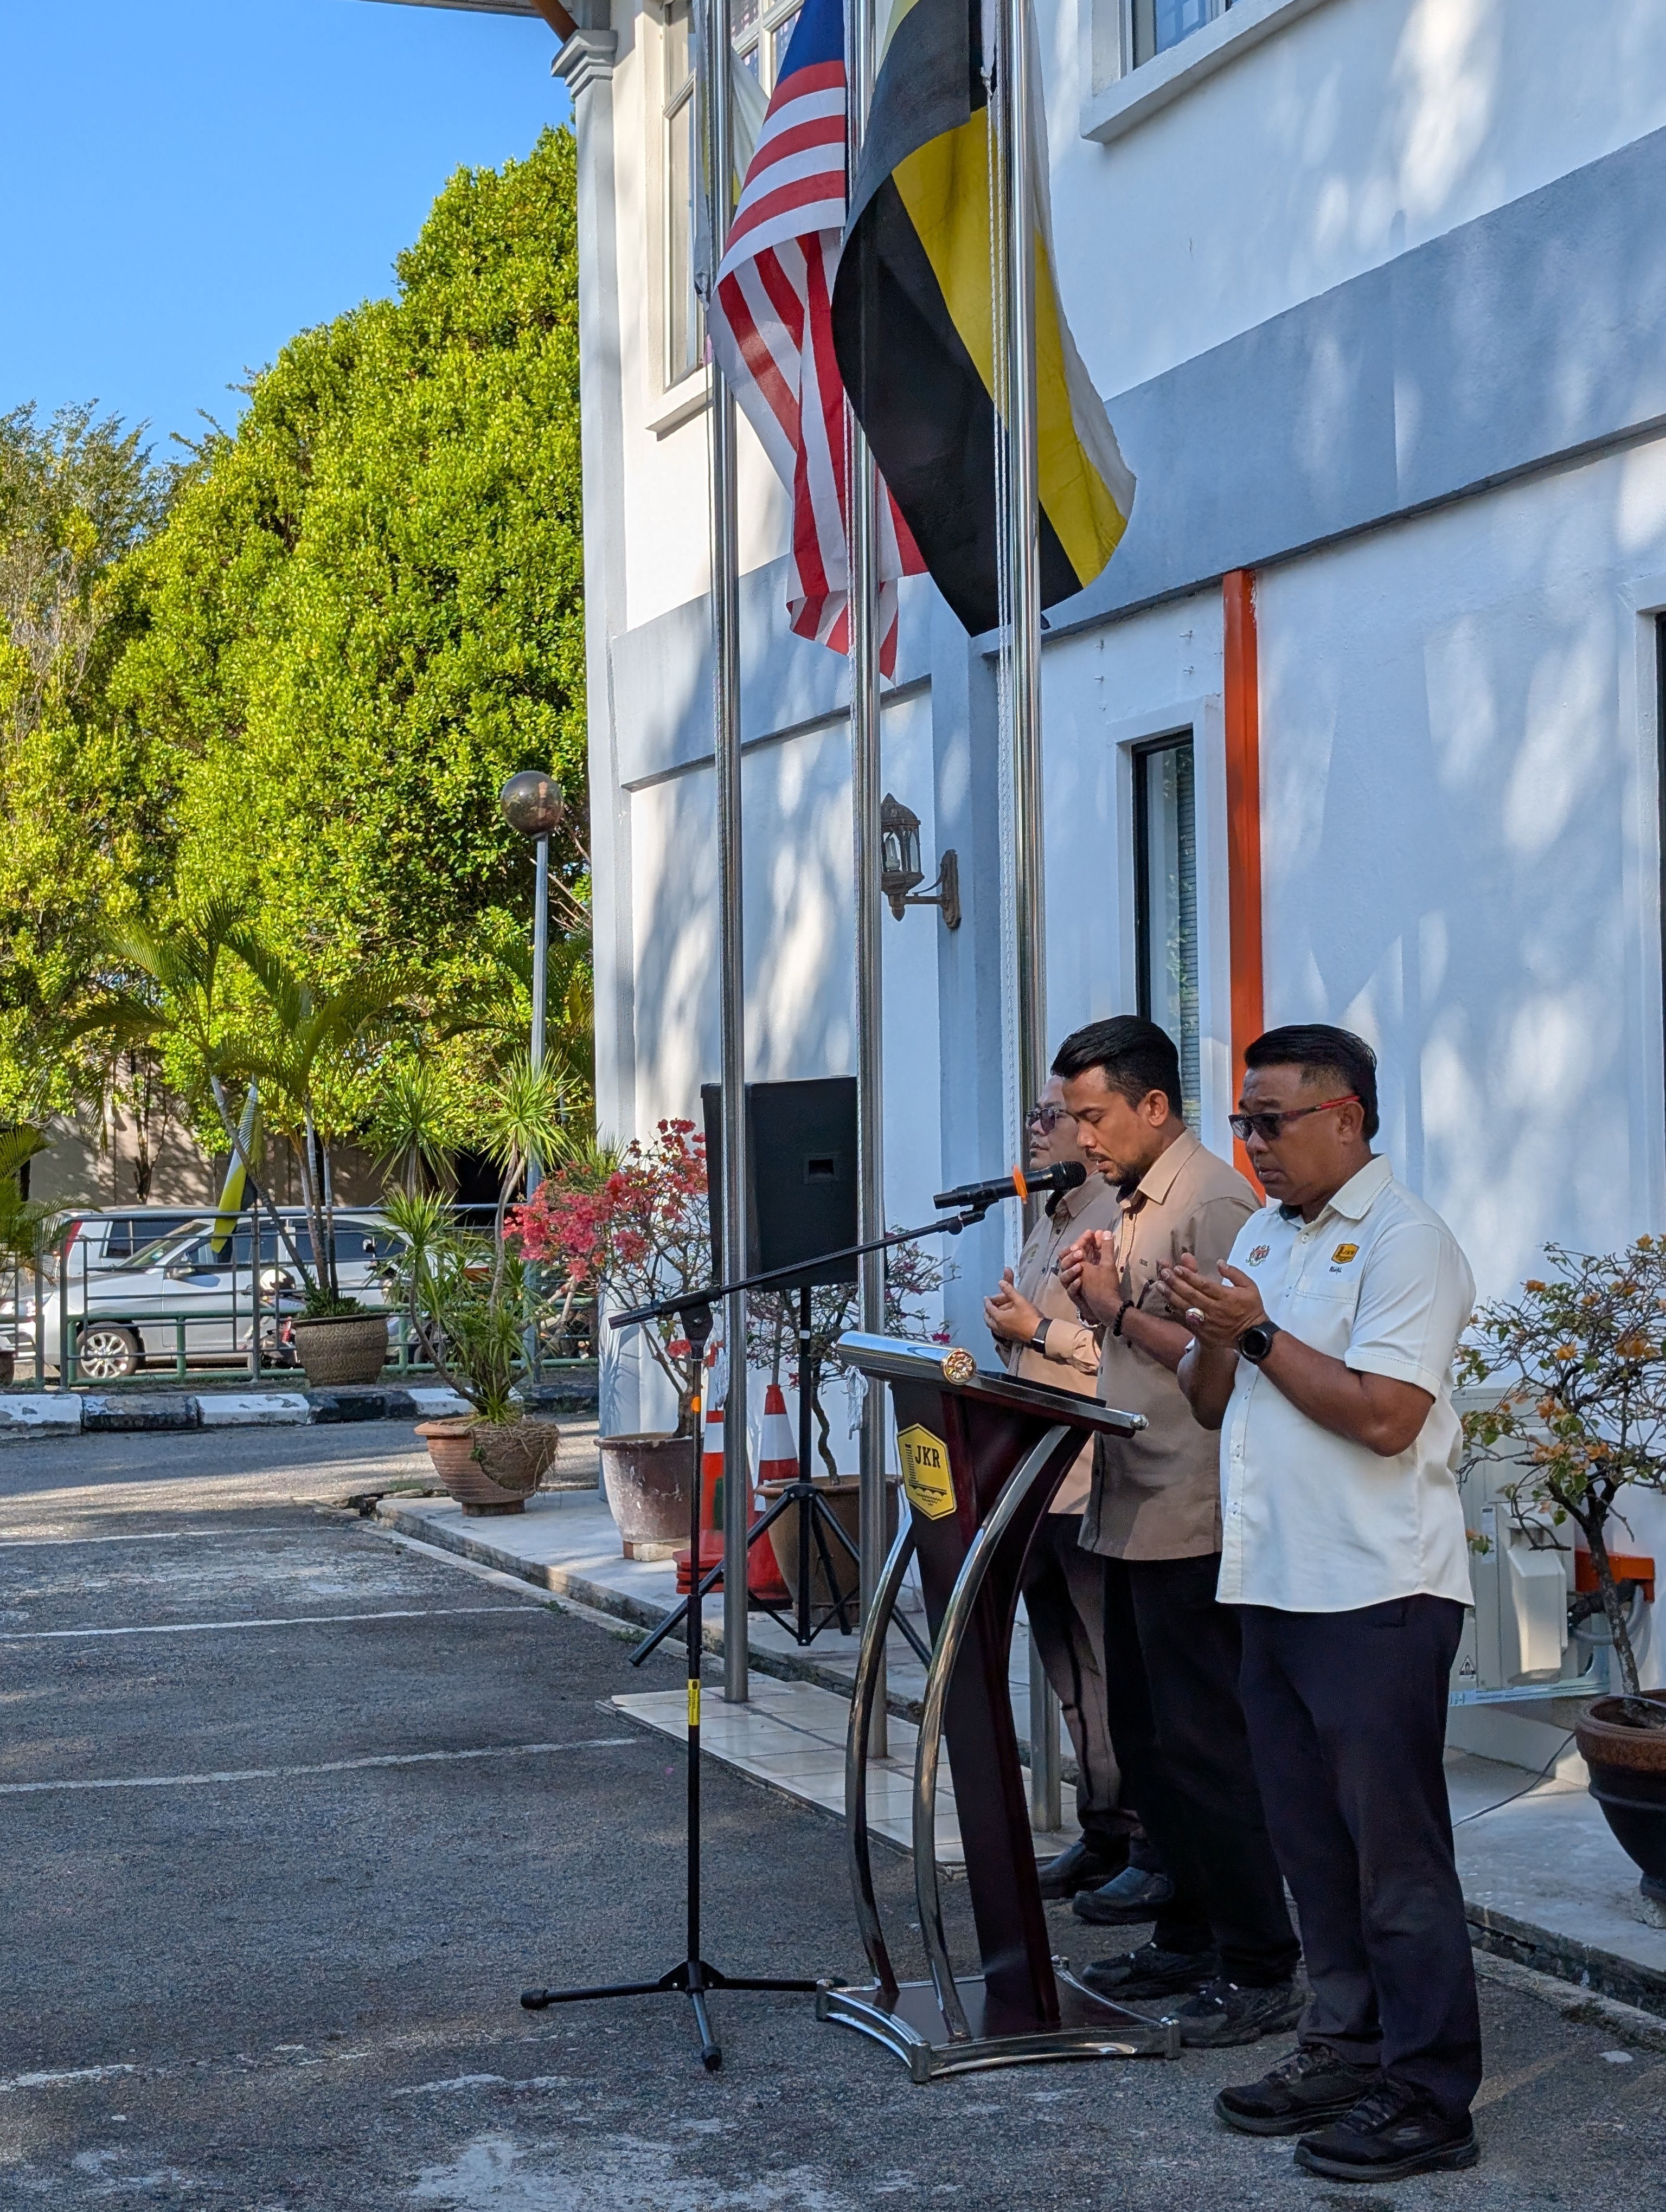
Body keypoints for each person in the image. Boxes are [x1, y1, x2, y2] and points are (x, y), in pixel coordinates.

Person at [1167, 1024, 1481, 2183]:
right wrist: (1213, 1330)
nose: (1251, 1145)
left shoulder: (1408, 1243)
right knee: (1311, 1849)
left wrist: (1252, 1330)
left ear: (1344, 1117)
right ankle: (1346, 2049)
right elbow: (1211, 1401)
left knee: (1396, 1861)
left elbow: (1386, 1418)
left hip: (1376, 1593)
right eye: (1242, 1123)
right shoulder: (1265, 1231)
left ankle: (1431, 2095)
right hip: (1274, 1585)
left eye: (1270, 1122)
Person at [1052, 1017, 1302, 2049]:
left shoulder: (1215, 1203)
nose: (1081, 1137)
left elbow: (1230, 1361)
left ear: (1153, 1105)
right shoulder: (1129, 1200)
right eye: (1073, 1118)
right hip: (1128, 1500)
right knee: (1149, 1747)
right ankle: (1190, 1934)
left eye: (1094, 1116)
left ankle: (1260, 1962)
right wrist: (1094, 1306)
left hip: (1191, 1513)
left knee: (1206, 1751)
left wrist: (1114, 1309)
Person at [983, 1076, 1134, 1900]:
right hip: (1036, 1476)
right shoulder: (1051, 1215)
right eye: (1034, 1115)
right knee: (1068, 1671)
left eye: (1053, 1117)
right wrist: (1013, 1332)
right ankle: (1101, 1828)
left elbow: (1127, 1350)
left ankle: (1143, 1839)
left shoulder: (1118, 1218)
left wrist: (1036, 1330)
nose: (1036, 1130)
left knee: (1112, 1669)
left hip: (1094, 1477)